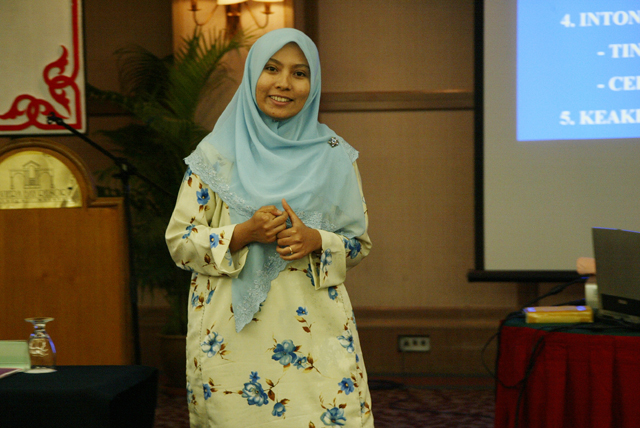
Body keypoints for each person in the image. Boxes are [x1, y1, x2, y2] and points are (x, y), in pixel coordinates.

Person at [166, 28, 373, 427]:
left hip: (315, 337)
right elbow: (180, 242)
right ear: (252, 76)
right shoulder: (215, 156)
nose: (284, 83)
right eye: (272, 69)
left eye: (300, 73)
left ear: (313, 84)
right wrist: (244, 234)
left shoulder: (334, 156)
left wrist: (316, 239)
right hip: (231, 343)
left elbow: (357, 244)